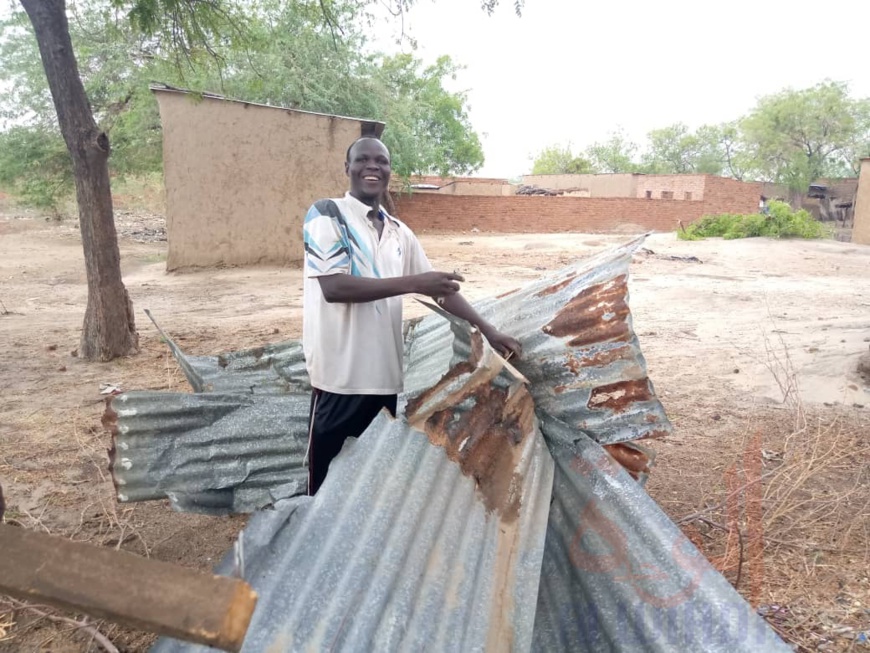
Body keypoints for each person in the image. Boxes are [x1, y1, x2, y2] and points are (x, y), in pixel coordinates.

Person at [302, 136, 522, 494]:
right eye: (363, 160)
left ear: (390, 172)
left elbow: (439, 290)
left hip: (384, 379)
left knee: (371, 482)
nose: (373, 166)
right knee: (324, 485)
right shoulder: (328, 215)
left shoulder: (398, 231)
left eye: (382, 161)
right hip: (338, 378)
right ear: (347, 168)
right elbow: (335, 288)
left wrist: (488, 331)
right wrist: (413, 282)